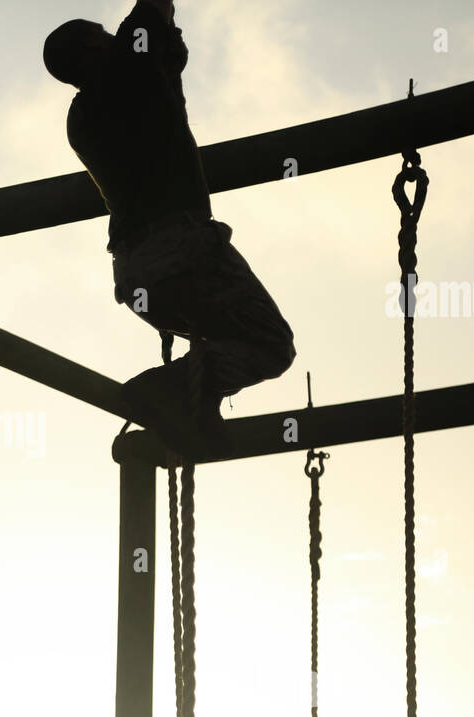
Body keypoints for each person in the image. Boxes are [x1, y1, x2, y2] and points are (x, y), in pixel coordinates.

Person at [44, 0, 297, 457]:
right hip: (183, 250)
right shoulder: (125, 67)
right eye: (103, 33)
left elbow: (161, 67)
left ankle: (194, 403)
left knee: (221, 343)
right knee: (271, 344)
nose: (114, 37)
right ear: (90, 47)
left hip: (137, 274)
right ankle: (164, 387)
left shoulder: (82, 116)